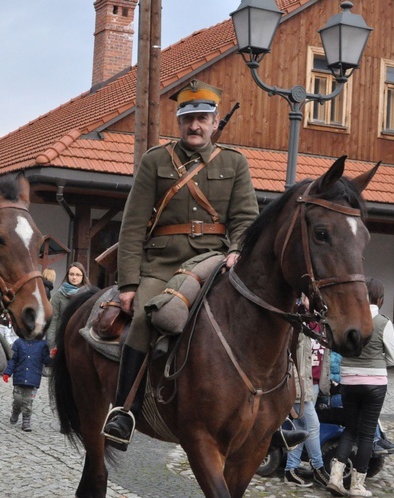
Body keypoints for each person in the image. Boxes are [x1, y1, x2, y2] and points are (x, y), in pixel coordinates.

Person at [102, 79, 260, 450]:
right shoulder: (155, 161)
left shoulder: (234, 162)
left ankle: (274, 414)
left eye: (203, 118)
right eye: (189, 118)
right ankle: (124, 410)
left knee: (256, 318)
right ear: (178, 121)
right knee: (143, 318)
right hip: (161, 264)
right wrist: (128, 284)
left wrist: (238, 249)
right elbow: (133, 225)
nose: (195, 125)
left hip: (216, 262)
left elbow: (246, 219)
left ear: (215, 121)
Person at [327, 278, 394, 497]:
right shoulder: (383, 322)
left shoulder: (348, 319)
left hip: (349, 380)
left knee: (350, 429)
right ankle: (356, 485)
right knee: (366, 434)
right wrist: (376, 362)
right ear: (381, 298)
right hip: (375, 382)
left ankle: (335, 478)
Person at [283, 299, 330, 488]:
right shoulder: (298, 324)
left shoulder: (323, 326)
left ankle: (291, 470)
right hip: (300, 387)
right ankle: (319, 469)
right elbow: (289, 357)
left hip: (316, 385)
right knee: (313, 426)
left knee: (299, 428)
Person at [2, 336, 54, 432]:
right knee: (17, 398)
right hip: (19, 376)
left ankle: (26, 420)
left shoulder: (42, 345)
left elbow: (45, 360)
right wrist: (7, 372)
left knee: (28, 401)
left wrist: (51, 356)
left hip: (33, 377)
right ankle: (16, 410)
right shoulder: (18, 342)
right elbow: (13, 359)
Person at [45, 262, 90, 348]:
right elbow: (53, 320)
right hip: (62, 339)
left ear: (83, 276)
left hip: (81, 341)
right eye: (71, 274)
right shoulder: (58, 295)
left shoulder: (88, 295)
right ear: (67, 275)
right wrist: (51, 344)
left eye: (78, 275)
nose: (74, 277)